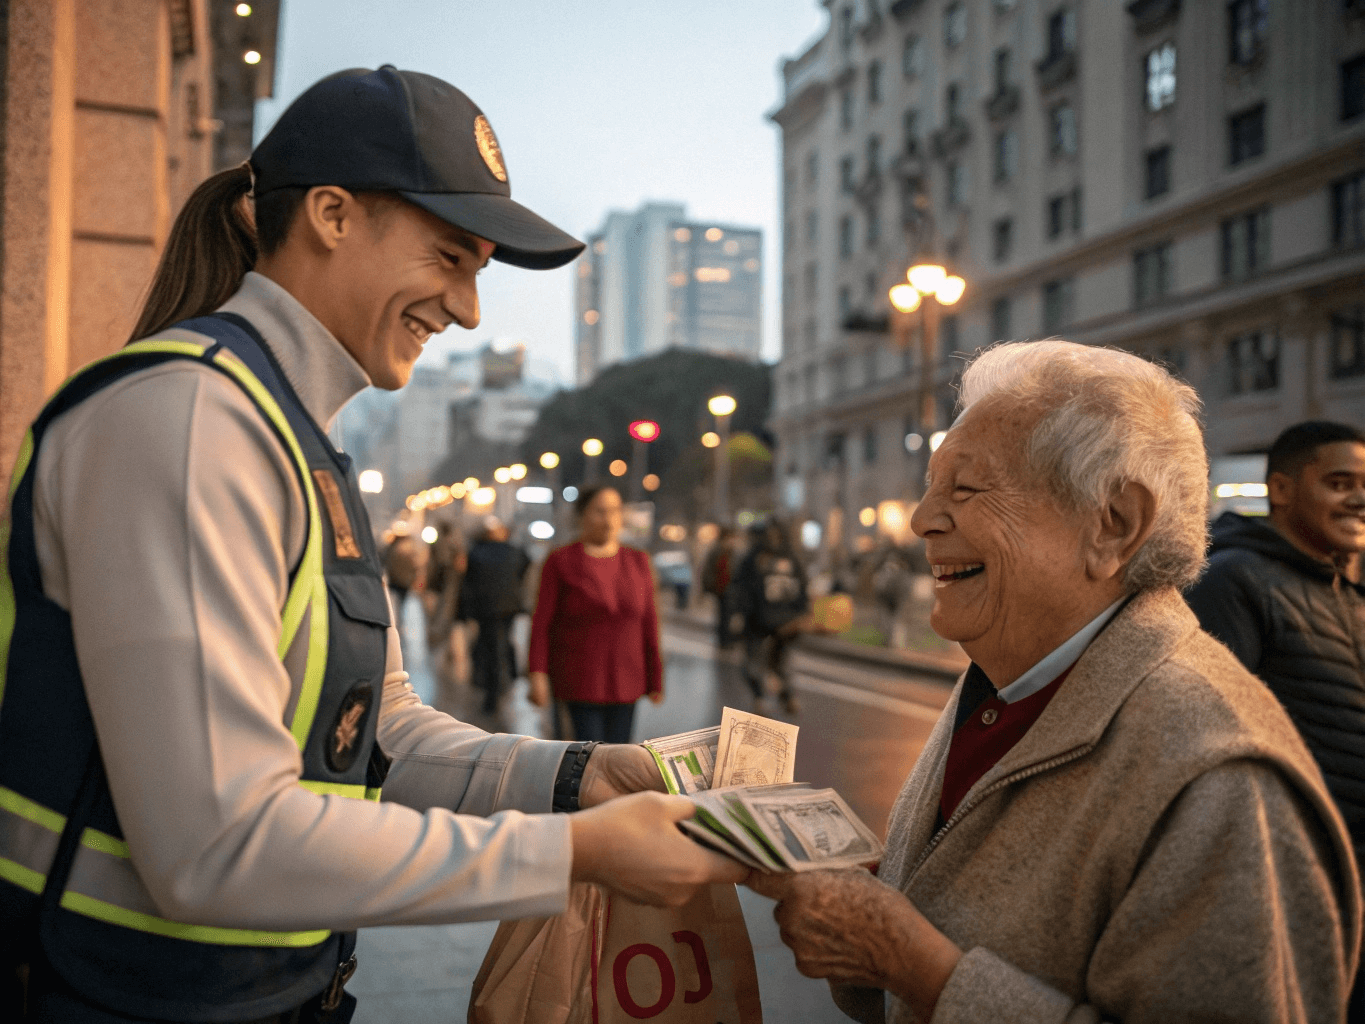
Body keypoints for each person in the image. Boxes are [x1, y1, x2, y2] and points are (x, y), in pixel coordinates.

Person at [0, 66, 745, 1023]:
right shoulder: (190, 423)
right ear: (331, 214)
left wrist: (572, 778)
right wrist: (575, 853)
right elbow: (216, 846)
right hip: (116, 996)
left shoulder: (297, 439)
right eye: (450, 258)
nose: (470, 309)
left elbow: (378, 734)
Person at [748, 341, 1360, 1024]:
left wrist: (919, 969)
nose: (922, 520)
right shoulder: (1011, 673)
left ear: (1112, 524)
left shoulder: (1217, 778)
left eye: (965, 488)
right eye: (929, 487)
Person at [1185, 419, 1365, 1018]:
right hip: (1296, 883)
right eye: (1340, 482)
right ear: (1282, 490)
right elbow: (1206, 735)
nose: (1359, 498)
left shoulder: (1348, 591)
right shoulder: (1234, 579)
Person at [528, 486, 663, 743]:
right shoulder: (561, 561)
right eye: (600, 511)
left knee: (618, 761)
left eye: (615, 511)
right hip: (576, 682)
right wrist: (537, 673)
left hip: (626, 682)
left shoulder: (638, 561)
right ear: (582, 516)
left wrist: (655, 677)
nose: (609, 519)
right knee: (584, 764)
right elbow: (542, 624)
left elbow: (649, 622)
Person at [730, 518, 808, 714]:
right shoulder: (765, 558)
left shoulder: (771, 558)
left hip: (777, 621)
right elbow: (742, 587)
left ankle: (777, 698)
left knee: (771, 664)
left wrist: (801, 614)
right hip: (764, 619)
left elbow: (802, 588)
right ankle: (768, 698)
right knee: (760, 664)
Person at [458, 516, 530, 714]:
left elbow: (468, 584)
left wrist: (465, 612)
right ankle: (507, 679)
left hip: (486, 609)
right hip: (508, 608)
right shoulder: (515, 552)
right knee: (504, 643)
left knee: (491, 648)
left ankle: (493, 690)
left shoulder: (476, 552)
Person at [701, 526, 738, 647]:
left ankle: (726, 639)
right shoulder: (717, 551)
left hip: (730, 588)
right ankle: (724, 640)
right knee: (723, 615)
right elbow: (709, 570)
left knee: (727, 615)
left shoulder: (733, 553)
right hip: (721, 588)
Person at [383, 525, 426, 628]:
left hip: (395, 586)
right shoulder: (410, 549)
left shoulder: (394, 549)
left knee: (396, 616)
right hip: (405, 587)